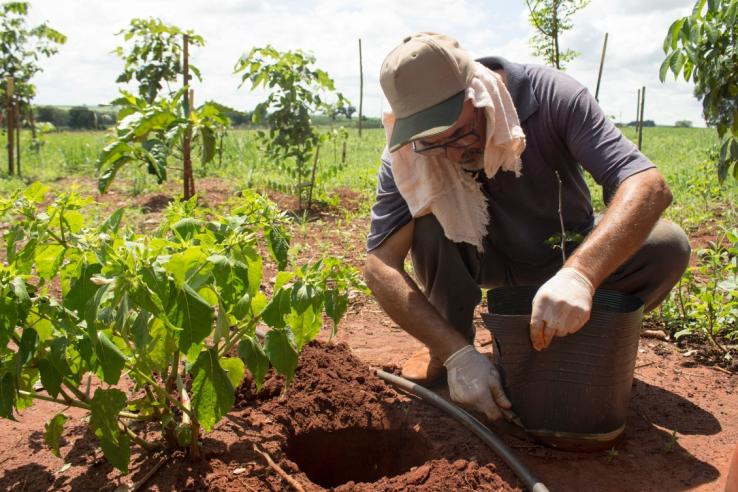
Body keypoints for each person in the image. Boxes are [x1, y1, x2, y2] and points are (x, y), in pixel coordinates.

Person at [364, 32, 691, 421]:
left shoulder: (553, 96)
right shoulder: (410, 153)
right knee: (425, 223)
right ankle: (450, 346)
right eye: (433, 142)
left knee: (667, 245)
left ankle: (575, 337)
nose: (451, 153)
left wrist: (581, 276)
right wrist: (456, 354)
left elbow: (648, 185)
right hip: (482, 258)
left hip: (564, 253)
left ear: (478, 93)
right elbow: (378, 264)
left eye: (458, 133)